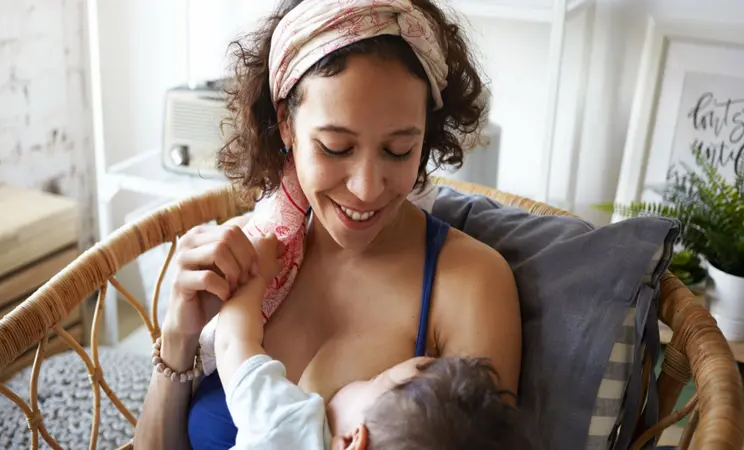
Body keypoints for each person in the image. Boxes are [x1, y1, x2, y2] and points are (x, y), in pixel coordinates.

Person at [134, 0, 522, 448]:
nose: (366, 188)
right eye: (336, 147)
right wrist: (179, 335)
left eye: (398, 150)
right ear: (286, 125)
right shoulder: (255, 251)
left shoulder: (469, 284)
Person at [213, 233, 528, 449]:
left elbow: (232, 343)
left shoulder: (292, 426)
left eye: (376, 379)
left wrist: (257, 277)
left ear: (354, 441)